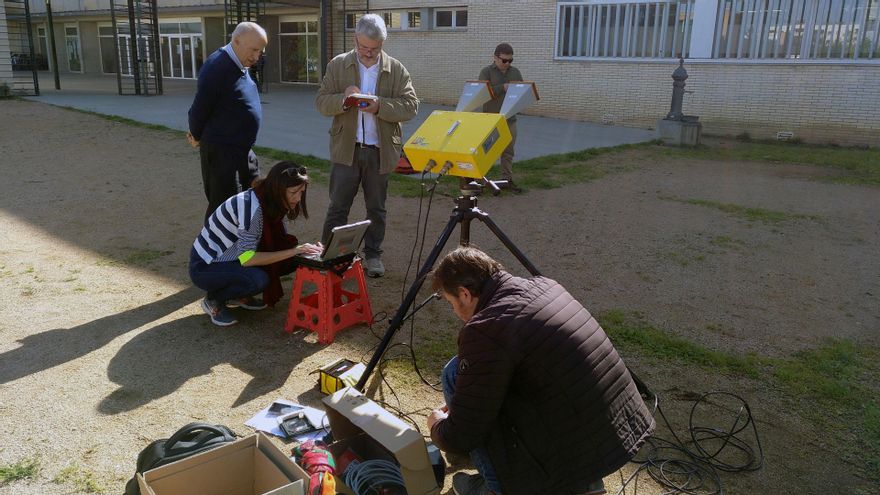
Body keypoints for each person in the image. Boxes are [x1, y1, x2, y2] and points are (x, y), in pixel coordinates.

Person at [427, 247, 655, 495]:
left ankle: (496, 488)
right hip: (613, 433)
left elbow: (463, 434)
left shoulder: (484, 329)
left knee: (454, 376)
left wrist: (438, 427)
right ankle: (586, 483)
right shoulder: (546, 286)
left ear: (465, 294)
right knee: (458, 371)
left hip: (572, 450)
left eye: (452, 303)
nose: (455, 312)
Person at [315, 13, 419, 278]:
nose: (369, 53)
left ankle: (373, 255)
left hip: (379, 151)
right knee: (338, 206)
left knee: (376, 208)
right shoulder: (338, 65)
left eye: (375, 49)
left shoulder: (396, 68)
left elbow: (411, 106)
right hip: (345, 150)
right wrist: (343, 98)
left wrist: (380, 105)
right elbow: (321, 102)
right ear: (355, 40)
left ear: (382, 44)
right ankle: (330, 255)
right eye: (364, 48)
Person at [189, 161, 322, 326]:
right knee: (258, 280)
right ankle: (214, 299)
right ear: (277, 189)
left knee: (291, 259)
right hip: (205, 266)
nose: (298, 198)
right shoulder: (253, 209)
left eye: (302, 192)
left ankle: (237, 293)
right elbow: (247, 259)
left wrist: (303, 251)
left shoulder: (268, 199)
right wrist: (295, 251)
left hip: (232, 257)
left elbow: (275, 244)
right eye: (294, 192)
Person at [188, 22, 268, 220]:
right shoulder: (217, 67)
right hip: (222, 151)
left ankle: (243, 245)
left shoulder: (238, 63)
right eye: (254, 50)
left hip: (240, 148)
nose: (257, 57)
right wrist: (196, 135)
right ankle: (212, 248)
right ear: (237, 41)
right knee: (223, 205)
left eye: (261, 52)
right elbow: (199, 109)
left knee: (248, 198)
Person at [478, 43, 524, 193]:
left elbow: (521, 91)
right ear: (495, 58)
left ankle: (507, 180)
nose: (507, 64)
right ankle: (478, 182)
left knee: (508, 152)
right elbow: (482, 94)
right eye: (504, 60)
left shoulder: (515, 72)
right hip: (490, 120)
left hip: (510, 119)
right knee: (486, 153)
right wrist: (502, 88)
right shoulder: (486, 72)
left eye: (510, 61)